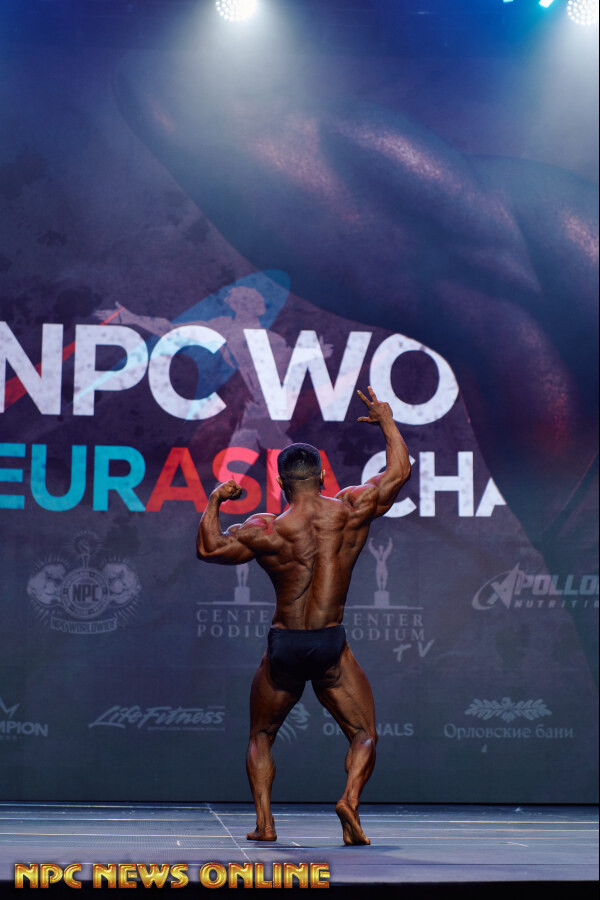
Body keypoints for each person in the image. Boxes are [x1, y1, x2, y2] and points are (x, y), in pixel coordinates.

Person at [196, 387, 411, 845]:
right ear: (322, 476)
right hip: (329, 642)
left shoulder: (267, 529)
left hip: (286, 645)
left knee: (261, 734)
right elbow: (398, 473)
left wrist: (215, 499)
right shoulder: (351, 509)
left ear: (280, 483)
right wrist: (386, 420)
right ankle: (349, 800)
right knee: (364, 733)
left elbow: (209, 549)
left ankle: (265, 824)